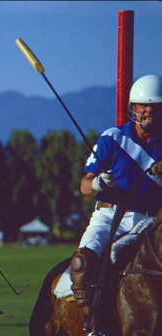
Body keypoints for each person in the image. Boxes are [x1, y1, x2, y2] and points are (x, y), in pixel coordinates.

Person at [70, 74, 162, 332]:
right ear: (133, 107)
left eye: (153, 106)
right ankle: (92, 327)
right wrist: (99, 183)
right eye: (142, 105)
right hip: (108, 216)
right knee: (82, 262)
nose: (147, 111)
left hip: (150, 222)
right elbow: (84, 185)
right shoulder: (112, 137)